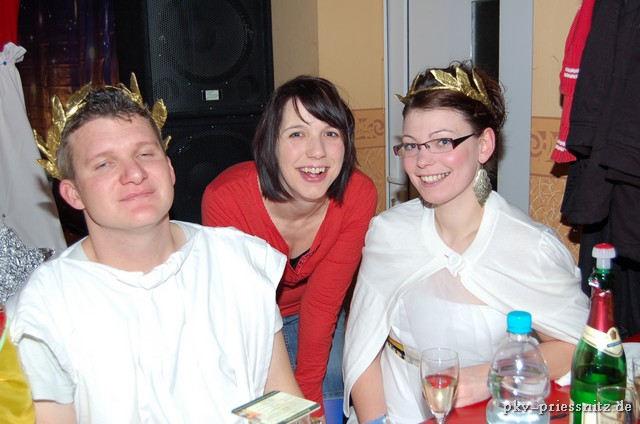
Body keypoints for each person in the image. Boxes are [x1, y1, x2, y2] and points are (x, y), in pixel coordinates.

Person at [9, 79, 302, 423]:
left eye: (145, 154)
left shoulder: (239, 261)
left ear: (170, 168)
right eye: (104, 164)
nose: (134, 174)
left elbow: (280, 396)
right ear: (73, 194)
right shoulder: (48, 303)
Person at [342, 62, 590, 424]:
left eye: (443, 141)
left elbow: (578, 347)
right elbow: (362, 347)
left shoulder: (529, 247)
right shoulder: (389, 233)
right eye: (411, 145)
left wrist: (492, 375)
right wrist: (377, 420)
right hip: (396, 410)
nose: (423, 161)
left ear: (484, 144)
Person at [202, 75, 378, 418]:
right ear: (271, 143)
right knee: (254, 408)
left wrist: (310, 405)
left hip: (314, 315)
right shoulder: (227, 200)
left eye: (331, 133)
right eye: (297, 134)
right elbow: (247, 316)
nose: (317, 151)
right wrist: (293, 408)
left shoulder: (358, 195)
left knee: (332, 396)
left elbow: (323, 302)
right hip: (245, 321)